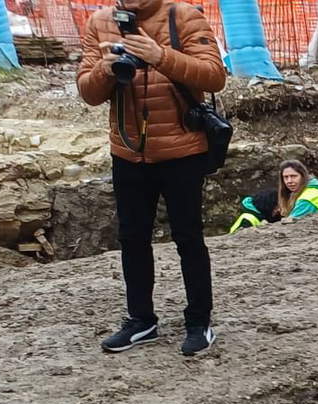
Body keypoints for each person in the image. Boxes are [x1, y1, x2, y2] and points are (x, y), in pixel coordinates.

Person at [78, 0, 228, 356]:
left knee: (188, 237)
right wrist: (105, 68)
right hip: (128, 152)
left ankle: (199, 322)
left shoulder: (183, 16)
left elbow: (214, 77)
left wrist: (161, 56)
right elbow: (88, 93)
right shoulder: (100, 22)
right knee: (132, 239)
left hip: (182, 152)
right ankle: (141, 320)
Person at [228, 160, 318, 234]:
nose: (289, 181)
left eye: (293, 176)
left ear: (303, 176)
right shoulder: (315, 189)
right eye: (286, 177)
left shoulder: (308, 198)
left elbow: (291, 226)